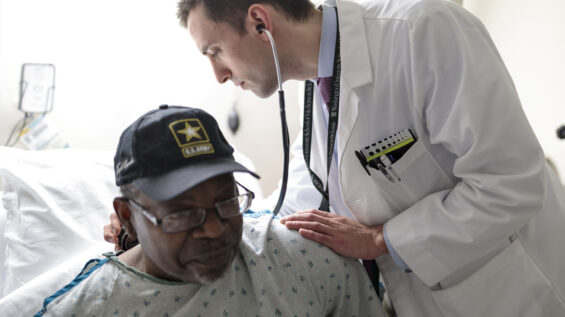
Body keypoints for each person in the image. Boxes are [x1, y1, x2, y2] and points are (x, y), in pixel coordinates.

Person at [105, 0, 565, 316]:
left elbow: (511, 182)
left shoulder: (422, 33)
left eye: (214, 51)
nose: (217, 74)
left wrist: (380, 239)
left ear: (260, 22)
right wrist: (155, 239)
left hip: (512, 290)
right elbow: (310, 200)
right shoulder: (316, 87)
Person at [39, 105, 384, 317]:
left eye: (226, 202)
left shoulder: (307, 263)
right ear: (128, 216)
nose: (216, 229)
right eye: (183, 214)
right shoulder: (86, 308)